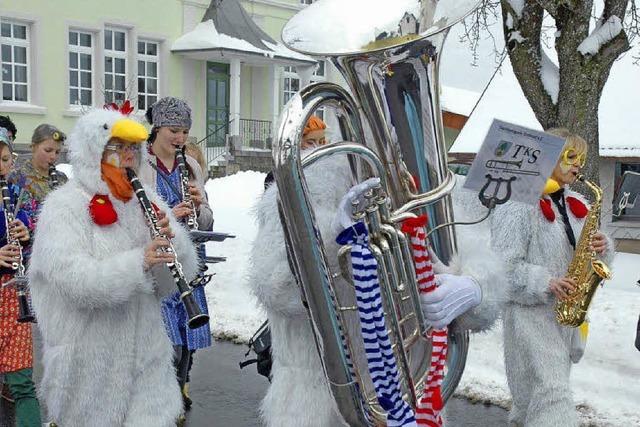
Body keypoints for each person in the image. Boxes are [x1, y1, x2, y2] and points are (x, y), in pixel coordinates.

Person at [250, 141, 506, 426]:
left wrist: (473, 287)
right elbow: (273, 285)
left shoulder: (426, 186)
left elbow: (480, 260)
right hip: (317, 408)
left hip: (414, 402)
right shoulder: (306, 179)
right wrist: (332, 241)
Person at [28, 107, 199, 426]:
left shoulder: (145, 199)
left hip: (147, 366)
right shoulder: (64, 208)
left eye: (133, 148)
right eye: (118, 148)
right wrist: (139, 263)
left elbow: (168, 284)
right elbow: (75, 283)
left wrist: (172, 242)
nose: (129, 157)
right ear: (94, 151)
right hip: (90, 373)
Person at [490, 129, 613, 427]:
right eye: (571, 157)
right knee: (552, 396)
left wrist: (603, 248)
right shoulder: (518, 203)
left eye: (581, 159)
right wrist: (545, 282)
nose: (578, 165)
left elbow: (589, 261)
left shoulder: (577, 205)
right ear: (547, 157)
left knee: (534, 401)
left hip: (564, 318)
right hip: (529, 317)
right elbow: (503, 267)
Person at [139, 97, 213, 410]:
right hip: (161, 262)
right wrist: (170, 212)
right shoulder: (141, 164)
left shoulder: (191, 165)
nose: (180, 138)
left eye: (184, 131)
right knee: (169, 342)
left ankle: (179, 392)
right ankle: (162, 401)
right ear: (157, 129)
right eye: (173, 130)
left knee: (189, 337)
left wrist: (199, 205)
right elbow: (135, 215)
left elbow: (208, 220)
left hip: (190, 259)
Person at [0, 126, 41, 427]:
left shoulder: (14, 196)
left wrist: (25, 235)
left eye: (3, 159)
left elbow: (26, 231)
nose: (0, 166)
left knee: (22, 382)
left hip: (13, 294)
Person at [10, 124, 68, 220]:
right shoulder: (17, 176)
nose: (53, 156)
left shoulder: (62, 178)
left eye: (57, 152)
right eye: (48, 150)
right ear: (33, 147)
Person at [263, 115, 327, 190]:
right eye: (310, 142)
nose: (317, 147)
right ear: (296, 143)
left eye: (321, 141)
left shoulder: (329, 171)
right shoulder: (280, 175)